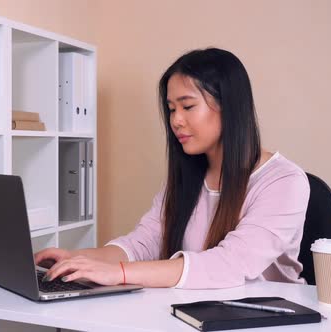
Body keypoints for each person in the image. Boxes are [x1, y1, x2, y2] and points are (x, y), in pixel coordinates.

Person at [35, 48, 310, 289]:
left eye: (188, 106)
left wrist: (118, 274)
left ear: (230, 106)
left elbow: (231, 263)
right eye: (171, 109)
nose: (176, 120)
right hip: (198, 314)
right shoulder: (188, 176)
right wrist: (80, 260)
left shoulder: (284, 181)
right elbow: (145, 242)